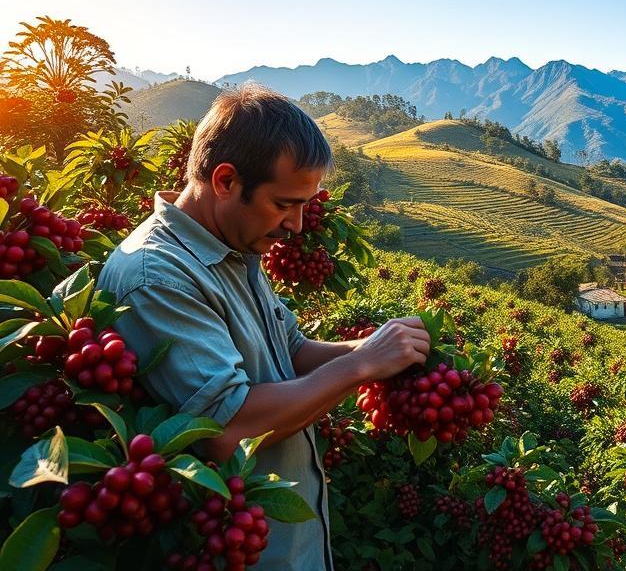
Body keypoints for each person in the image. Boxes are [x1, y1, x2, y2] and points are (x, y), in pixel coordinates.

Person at [97, 82, 429, 570]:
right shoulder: (157, 276)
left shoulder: (232, 246)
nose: (297, 225)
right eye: (285, 203)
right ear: (226, 181)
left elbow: (289, 351)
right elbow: (226, 428)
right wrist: (360, 366)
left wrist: (378, 347)